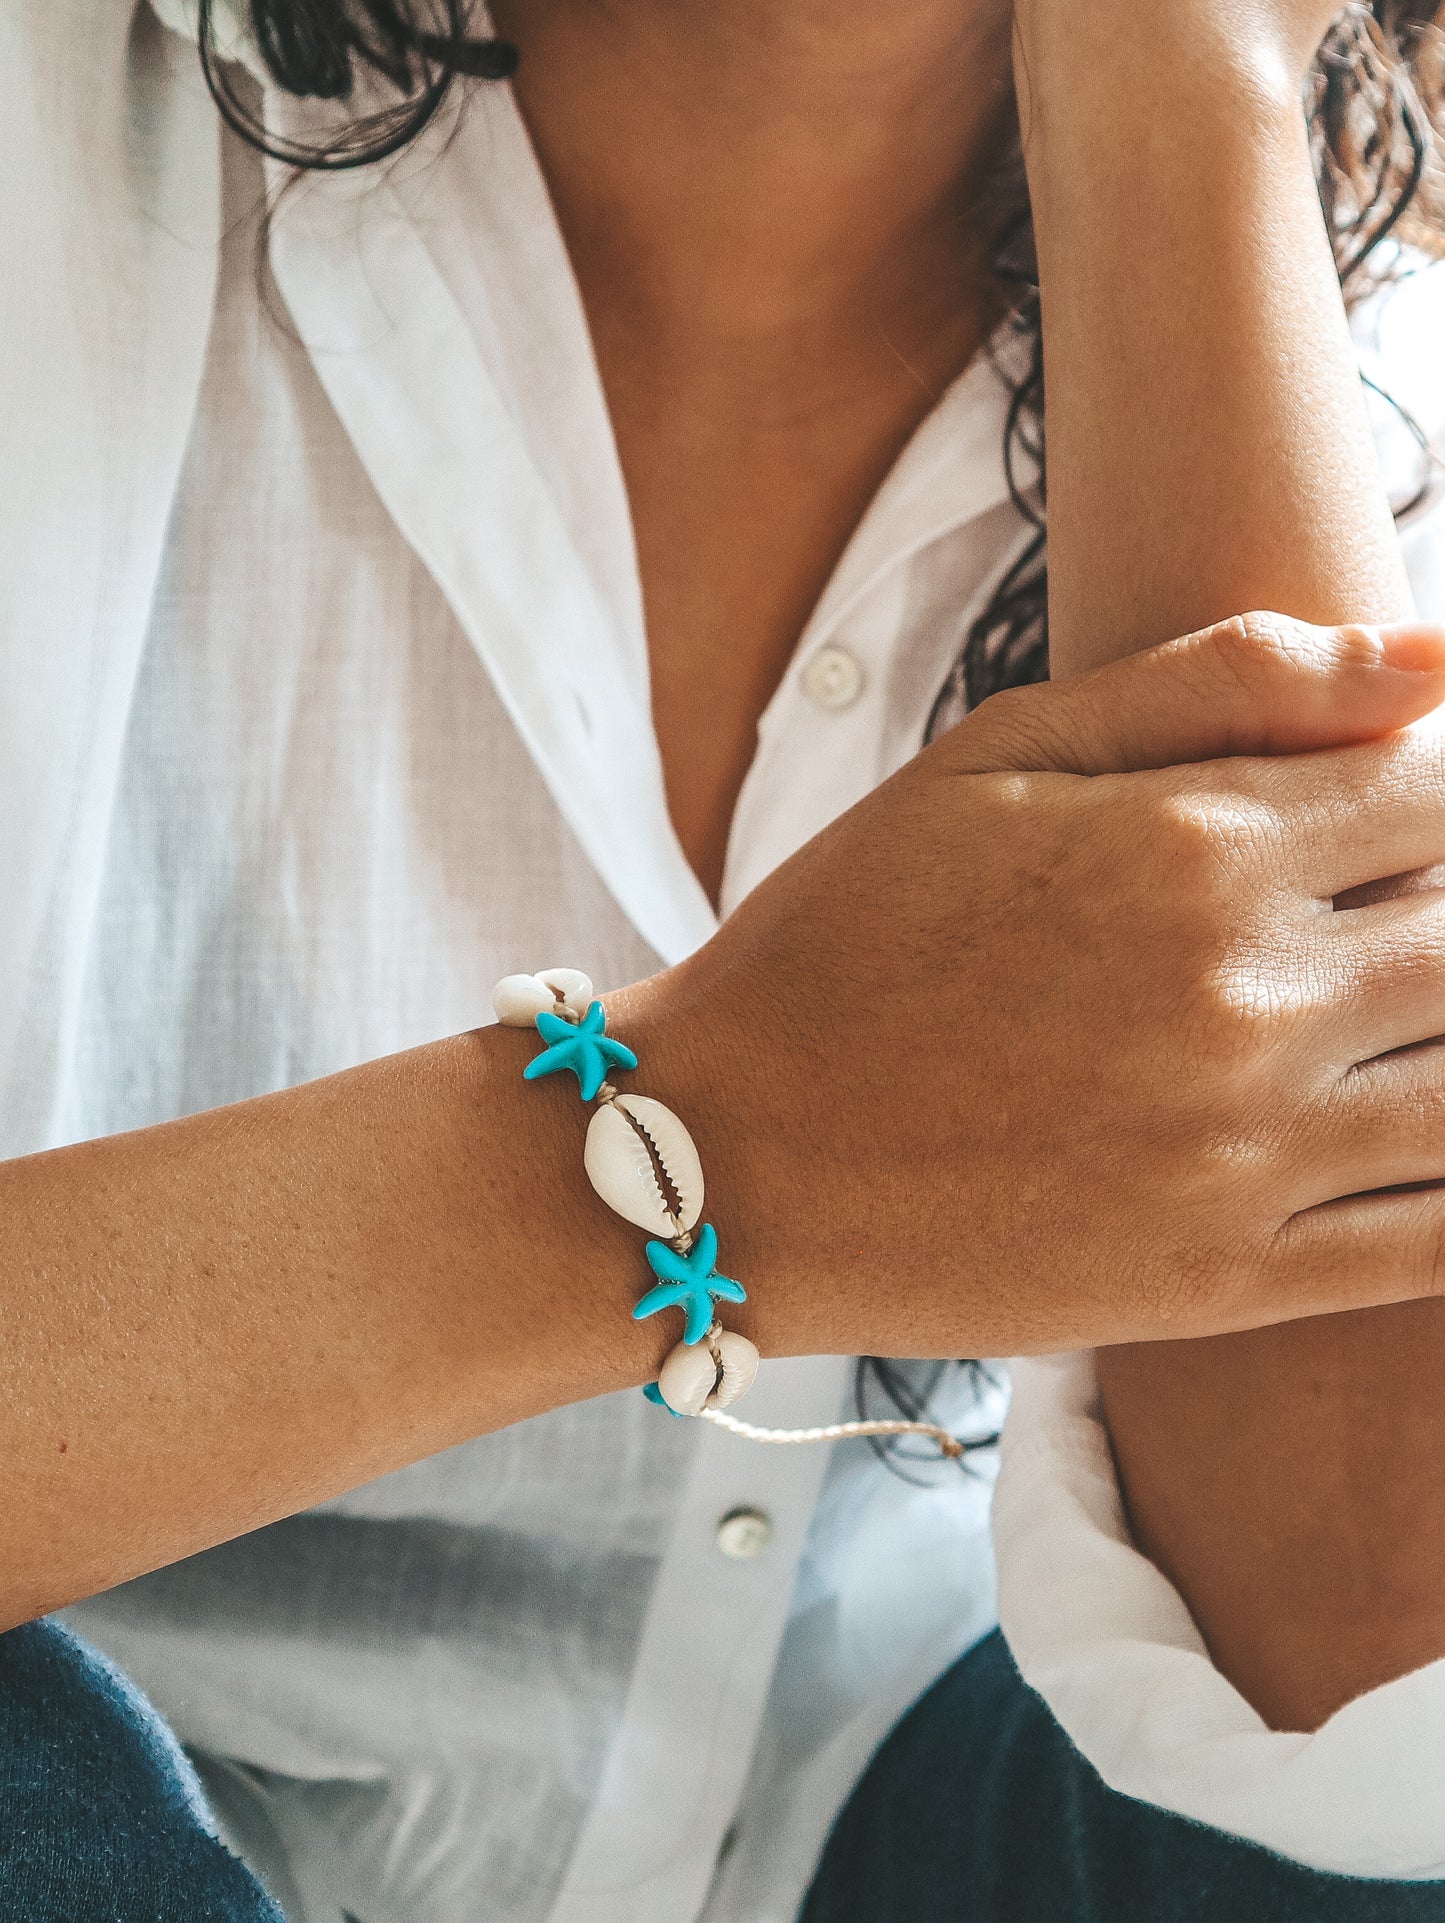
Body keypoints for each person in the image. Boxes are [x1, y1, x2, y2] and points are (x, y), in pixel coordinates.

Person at [3, 0, 1445, 1917]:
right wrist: (716, 1151)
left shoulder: (1376, 379)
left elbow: (1361, 1711)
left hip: (877, 1815)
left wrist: (1182, 83)